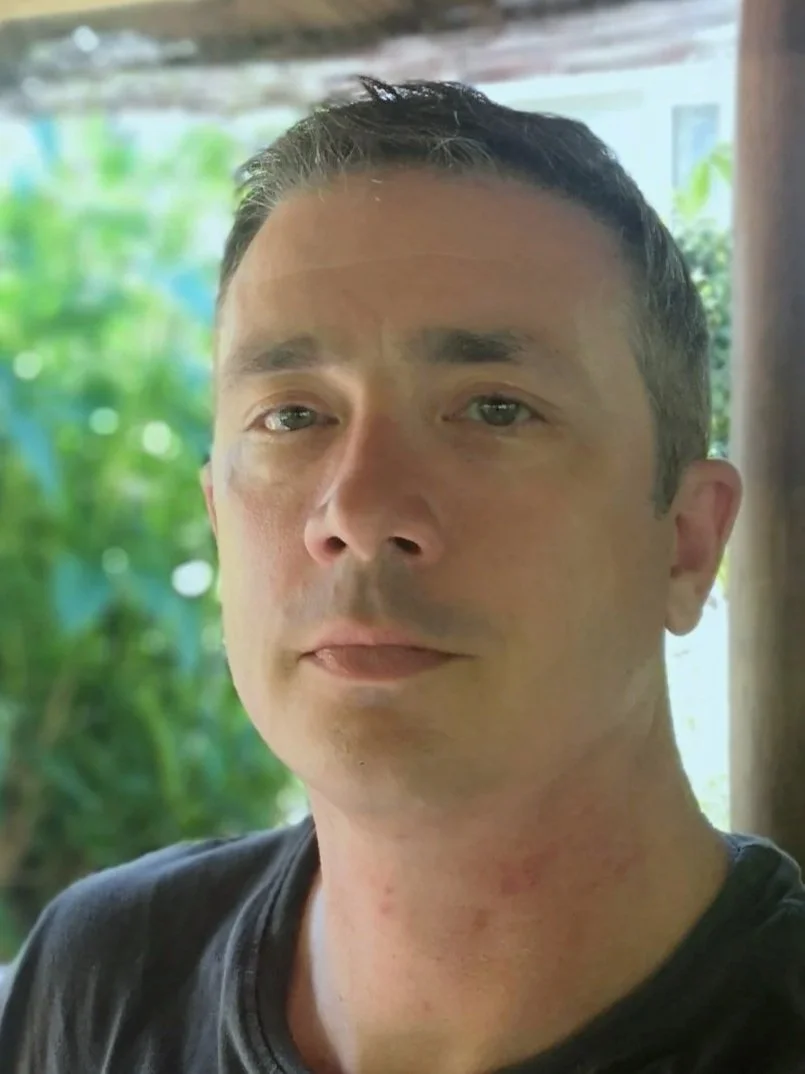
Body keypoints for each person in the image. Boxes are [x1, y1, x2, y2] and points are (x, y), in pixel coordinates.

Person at [1, 75, 804, 1074]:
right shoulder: (101, 983)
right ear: (217, 518)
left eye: (495, 408)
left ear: (683, 541)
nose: (358, 509)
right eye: (293, 416)